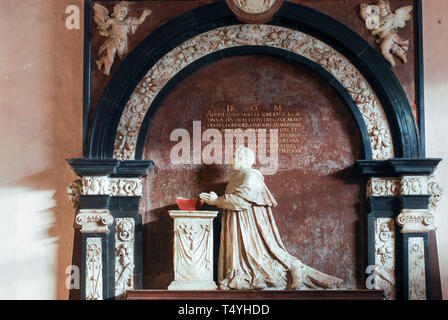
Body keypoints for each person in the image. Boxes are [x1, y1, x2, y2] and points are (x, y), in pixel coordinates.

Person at [200, 147, 343, 290]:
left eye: (234, 157)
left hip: (249, 225)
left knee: (260, 254)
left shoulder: (251, 175)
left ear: (243, 159)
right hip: (239, 222)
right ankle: (250, 274)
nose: (231, 160)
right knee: (252, 257)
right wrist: (217, 200)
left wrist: (216, 200)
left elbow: (241, 200)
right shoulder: (238, 176)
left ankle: (294, 267)